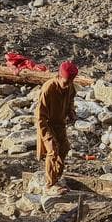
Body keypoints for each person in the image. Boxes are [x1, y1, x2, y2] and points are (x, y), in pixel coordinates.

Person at [35, 60, 79, 193]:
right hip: (46, 124)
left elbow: (70, 100)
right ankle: (49, 184)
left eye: (70, 82)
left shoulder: (70, 86)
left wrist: (71, 113)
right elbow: (39, 117)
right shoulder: (48, 89)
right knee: (52, 150)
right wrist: (47, 136)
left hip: (60, 124)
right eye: (66, 82)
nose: (68, 85)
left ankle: (57, 178)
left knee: (64, 149)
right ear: (59, 77)